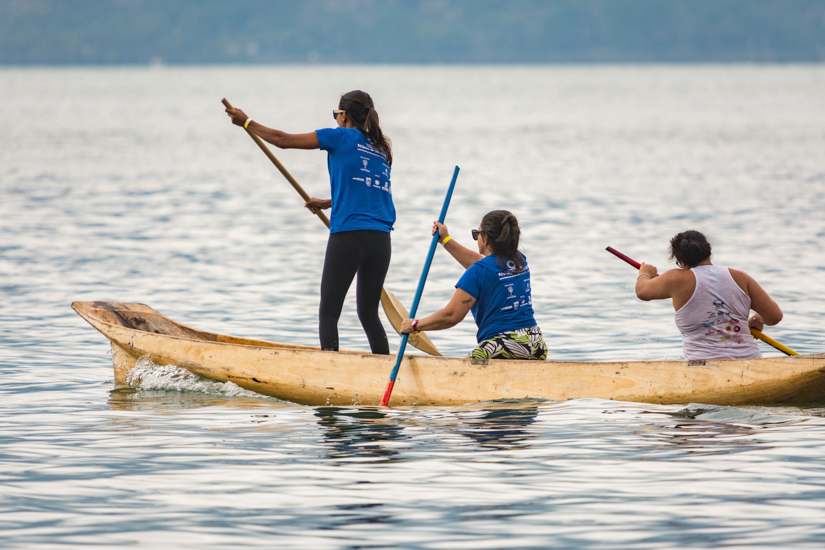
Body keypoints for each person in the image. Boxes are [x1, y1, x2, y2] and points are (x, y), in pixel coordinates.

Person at [226, 90, 395, 354]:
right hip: (381, 240)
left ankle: (330, 377)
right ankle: (387, 375)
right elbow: (367, 190)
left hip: (349, 236)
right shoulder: (381, 148)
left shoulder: (338, 136)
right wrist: (328, 203)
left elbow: (282, 141)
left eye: (336, 114)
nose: (336, 119)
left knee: (329, 312)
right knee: (368, 314)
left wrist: (247, 123)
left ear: (345, 116)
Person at [400, 210, 547, 360]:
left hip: (504, 345)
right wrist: (445, 240)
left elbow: (451, 316)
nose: (476, 238)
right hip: (536, 344)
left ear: (486, 238)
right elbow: (479, 264)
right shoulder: (520, 261)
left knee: (461, 371)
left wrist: (414, 325)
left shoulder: (478, 272)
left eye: (477, 234)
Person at [635, 230, 783, 360]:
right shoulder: (741, 277)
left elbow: (642, 291)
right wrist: (757, 319)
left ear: (680, 261)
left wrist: (645, 273)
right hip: (750, 361)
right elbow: (774, 316)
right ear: (709, 252)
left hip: (705, 366)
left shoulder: (675, 278)